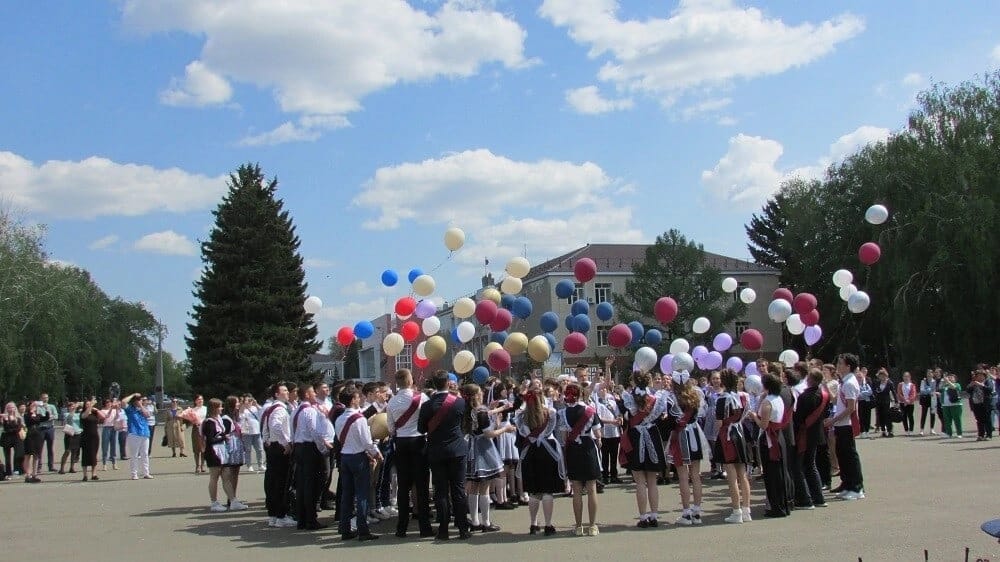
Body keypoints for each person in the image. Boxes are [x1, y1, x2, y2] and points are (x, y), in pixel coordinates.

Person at [418, 370, 471, 541]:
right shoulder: (460, 402)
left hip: (436, 451)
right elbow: (466, 422)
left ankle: (443, 530)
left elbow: (421, 429)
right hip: (457, 449)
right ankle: (463, 528)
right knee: (458, 490)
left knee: (440, 492)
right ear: (448, 383)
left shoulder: (427, 406)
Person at [386, 369, 434, 538]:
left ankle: (401, 528)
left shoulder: (391, 402)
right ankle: (425, 527)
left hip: (401, 443)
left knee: (403, 487)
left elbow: (391, 429)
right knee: (421, 486)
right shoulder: (421, 397)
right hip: (419, 441)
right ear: (410, 380)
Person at [514, 386, 564, 536]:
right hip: (547, 451)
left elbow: (522, 429)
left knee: (534, 491)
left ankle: (533, 524)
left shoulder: (522, 416)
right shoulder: (550, 413)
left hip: (531, 452)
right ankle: (548, 525)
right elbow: (550, 430)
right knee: (548, 491)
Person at [621, 371, 668, 528]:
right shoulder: (656, 399)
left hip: (635, 436)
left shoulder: (628, 398)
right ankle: (654, 516)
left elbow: (626, 418)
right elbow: (661, 416)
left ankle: (643, 517)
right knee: (652, 481)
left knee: (640, 482)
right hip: (652, 434)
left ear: (634, 382)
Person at [663, 370, 711, 525]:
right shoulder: (696, 396)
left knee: (683, 477)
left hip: (680, 436)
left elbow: (671, 423)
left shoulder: (672, 398)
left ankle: (686, 513)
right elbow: (700, 414)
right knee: (696, 476)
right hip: (695, 433)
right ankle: (697, 512)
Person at [335, 386, 382, 542]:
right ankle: (363, 529)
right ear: (353, 400)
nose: (359, 399)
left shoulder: (340, 418)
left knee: (347, 494)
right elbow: (367, 441)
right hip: (358, 457)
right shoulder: (359, 418)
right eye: (357, 397)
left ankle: (345, 527)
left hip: (345, 456)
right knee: (362, 494)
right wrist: (375, 453)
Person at [461, 383, 508, 533]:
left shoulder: (467, 410)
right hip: (483, 448)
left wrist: (496, 414)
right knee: (484, 486)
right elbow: (488, 433)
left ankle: (475, 521)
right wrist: (505, 428)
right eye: (480, 392)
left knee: (473, 486)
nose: (482, 393)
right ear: (476, 395)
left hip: (470, 448)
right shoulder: (481, 411)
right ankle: (486, 522)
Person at [558, 382, 601, 536]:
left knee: (576, 489)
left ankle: (578, 526)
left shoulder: (563, 413)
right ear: (582, 394)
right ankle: (593, 526)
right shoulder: (590, 410)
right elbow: (598, 435)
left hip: (573, 450)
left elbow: (563, 437)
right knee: (591, 488)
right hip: (588, 447)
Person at [824, 353, 865, 500]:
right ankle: (847, 484)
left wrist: (833, 420)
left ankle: (857, 487)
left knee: (850, 456)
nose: (838, 366)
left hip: (846, 424)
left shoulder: (850, 383)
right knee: (842, 454)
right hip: (840, 424)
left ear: (848, 366)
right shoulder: (843, 382)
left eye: (841, 363)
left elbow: (850, 408)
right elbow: (837, 401)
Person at [750, 373, 791, 518]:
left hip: (770, 438)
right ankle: (781, 504)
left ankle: (776, 506)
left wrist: (754, 416)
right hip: (778, 436)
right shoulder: (778, 398)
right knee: (778, 472)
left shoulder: (768, 402)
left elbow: (763, 424)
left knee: (772, 474)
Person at [714, 369, 752, 523]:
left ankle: (736, 511)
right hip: (740, 433)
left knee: (731, 476)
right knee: (742, 474)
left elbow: (719, 423)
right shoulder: (744, 396)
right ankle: (746, 511)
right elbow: (746, 414)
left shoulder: (721, 399)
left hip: (727, 436)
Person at [292, 384, 328, 530]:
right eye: (313, 392)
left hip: (299, 447)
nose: (315, 394)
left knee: (302, 485)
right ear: (307, 394)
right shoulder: (310, 411)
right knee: (311, 486)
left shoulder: (296, 411)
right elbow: (315, 431)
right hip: (309, 448)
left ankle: (302, 519)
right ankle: (310, 519)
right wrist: (322, 448)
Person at [793, 368, 830, 510]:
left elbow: (799, 418)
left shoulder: (805, 396)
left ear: (811, 380)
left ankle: (805, 499)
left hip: (804, 433)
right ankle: (818, 498)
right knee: (811, 465)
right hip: (817, 433)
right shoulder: (824, 394)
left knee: (800, 467)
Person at [203, 398, 248, 512]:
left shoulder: (218, 419)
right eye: (219, 407)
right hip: (213, 452)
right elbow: (210, 439)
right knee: (214, 477)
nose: (221, 409)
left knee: (226, 476)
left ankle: (233, 500)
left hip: (222, 450)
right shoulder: (209, 422)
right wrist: (224, 437)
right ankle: (214, 502)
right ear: (214, 408)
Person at [260, 382, 295, 528]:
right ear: (276, 394)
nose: (287, 393)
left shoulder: (270, 408)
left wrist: (267, 439)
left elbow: (265, 426)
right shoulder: (280, 409)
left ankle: (273, 515)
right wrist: (285, 443)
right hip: (280, 448)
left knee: (272, 481)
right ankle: (281, 515)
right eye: (284, 391)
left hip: (273, 446)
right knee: (281, 482)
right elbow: (275, 425)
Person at [121, 393, 152, 480]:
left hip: (145, 433)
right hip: (134, 433)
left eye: (140, 399)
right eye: (137, 400)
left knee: (145, 454)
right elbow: (123, 402)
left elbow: (148, 415)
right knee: (134, 455)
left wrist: (141, 406)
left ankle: (146, 473)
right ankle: (134, 474)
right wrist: (133, 394)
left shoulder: (143, 409)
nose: (139, 401)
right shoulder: (130, 409)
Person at [595, 384, 622, 485]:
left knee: (614, 455)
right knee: (605, 456)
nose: (603, 390)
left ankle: (614, 475)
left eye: (605, 388)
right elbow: (599, 418)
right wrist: (612, 421)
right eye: (601, 389)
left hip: (614, 432)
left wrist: (620, 418)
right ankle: (605, 476)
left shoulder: (612, 401)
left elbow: (618, 413)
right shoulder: (597, 403)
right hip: (604, 432)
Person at [22, 400, 49, 483]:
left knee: (36, 455)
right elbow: (29, 420)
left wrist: (45, 408)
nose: (34, 406)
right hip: (30, 435)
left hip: (37, 435)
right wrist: (32, 411)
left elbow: (46, 418)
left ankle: (34, 474)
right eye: (32, 405)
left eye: (35, 405)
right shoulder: (27, 415)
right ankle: (28, 474)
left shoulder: (38, 415)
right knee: (28, 455)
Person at [79, 398, 104, 482]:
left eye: (89, 404)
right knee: (85, 455)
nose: (89, 405)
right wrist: (91, 406)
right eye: (87, 404)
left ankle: (94, 474)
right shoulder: (83, 413)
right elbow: (84, 416)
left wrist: (96, 409)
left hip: (94, 436)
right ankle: (85, 475)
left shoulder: (94, 413)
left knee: (94, 455)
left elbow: (103, 416)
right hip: (86, 436)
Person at [1, 402, 25, 481]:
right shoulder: (4, 418)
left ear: (15, 408)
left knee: (18, 454)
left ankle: (16, 470)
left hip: (16, 437)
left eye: (12, 407)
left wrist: (12, 427)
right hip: (7, 438)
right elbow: (6, 428)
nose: (11, 409)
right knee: (7, 456)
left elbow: (19, 427)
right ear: (6, 409)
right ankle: (8, 473)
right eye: (9, 407)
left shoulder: (18, 417)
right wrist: (5, 420)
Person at [239, 396, 264, 472]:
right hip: (247, 432)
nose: (249, 402)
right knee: (248, 450)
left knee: (259, 449)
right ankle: (249, 465)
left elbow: (262, 411)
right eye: (247, 400)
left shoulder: (255, 408)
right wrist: (244, 405)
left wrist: (256, 404)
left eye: (250, 400)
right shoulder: (242, 409)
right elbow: (240, 415)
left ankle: (260, 465)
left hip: (257, 432)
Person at [34, 393, 58, 473]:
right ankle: (38, 466)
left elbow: (56, 416)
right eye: (43, 398)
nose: (45, 399)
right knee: (39, 448)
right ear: (40, 398)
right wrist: (46, 417)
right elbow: (38, 417)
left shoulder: (51, 406)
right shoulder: (38, 407)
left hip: (50, 428)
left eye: (46, 398)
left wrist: (49, 417)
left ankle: (51, 466)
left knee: (50, 448)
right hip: (41, 429)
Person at [968, 371, 993, 440]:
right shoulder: (974, 382)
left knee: (987, 420)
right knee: (979, 420)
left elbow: (990, 390)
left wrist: (981, 385)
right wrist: (971, 385)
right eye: (978, 376)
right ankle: (981, 435)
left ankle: (989, 435)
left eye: (981, 375)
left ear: (984, 376)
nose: (980, 377)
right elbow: (968, 391)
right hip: (976, 403)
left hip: (985, 404)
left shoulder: (987, 381)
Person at [59, 401, 82, 474]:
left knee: (74, 452)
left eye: (73, 406)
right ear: (68, 407)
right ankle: (61, 468)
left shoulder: (78, 414)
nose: (73, 407)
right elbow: (69, 419)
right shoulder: (66, 414)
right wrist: (73, 409)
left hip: (77, 433)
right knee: (67, 451)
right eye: (71, 406)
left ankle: (72, 467)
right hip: (70, 434)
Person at [872, 368, 896, 438]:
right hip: (879, 402)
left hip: (887, 402)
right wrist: (876, 392)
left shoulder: (889, 383)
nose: (882, 377)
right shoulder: (877, 382)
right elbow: (873, 390)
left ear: (886, 375)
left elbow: (893, 392)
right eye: (880, 376)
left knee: (887, 416)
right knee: (880, 416)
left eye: (883, 375)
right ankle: (883, 431)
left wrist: (896, 401)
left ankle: (890, 431)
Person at [939, 373, 964, 438]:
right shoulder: (945, 386)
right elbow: (940, 388)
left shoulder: (957, 384)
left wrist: (948, 381)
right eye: (948, 377)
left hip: (956, 405)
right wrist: (942, 381)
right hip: (946, 405)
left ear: (955, 379)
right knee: (947, 420)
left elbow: (954, 387)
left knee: (957, 419)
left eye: (951, 377)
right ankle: (949, 433)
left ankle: (959, 433)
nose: (949, 378)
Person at [100, 399, 119, 470]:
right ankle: (104, 463)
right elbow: (106, 416)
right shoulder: (102, 410)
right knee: (105, 446)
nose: (109, 403)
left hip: (113, 428)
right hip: (106, 428)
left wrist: (116, 409)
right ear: (105, 404)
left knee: (113, 446)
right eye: (107, 402)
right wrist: (111, 408)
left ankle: (114, 463)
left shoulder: (114, 410)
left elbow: (117, 417)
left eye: (110, 402)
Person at [918, 371, 938, 436]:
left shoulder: (934, 381)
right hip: (925, 398)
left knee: (932, 414)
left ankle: (932, 429)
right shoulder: (923, 381)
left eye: (930, 373)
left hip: (933, 398)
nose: (929, 375)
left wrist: (930, 390)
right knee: (924, 414)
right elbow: (922, 390)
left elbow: (935, 390)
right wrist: (929, 390)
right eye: (928, 373)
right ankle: (921, 430)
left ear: (933, 374)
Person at [857, 370, 874, 437]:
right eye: (858, 377)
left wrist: (861, 393)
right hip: (860, 402)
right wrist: (864, 393)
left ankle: (867, 431)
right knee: (861, 417)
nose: (859, 378)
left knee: (867, 416)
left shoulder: (866, 384)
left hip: (867, 402)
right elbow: (857, 394)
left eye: (860, 377)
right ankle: (862, 431)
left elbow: (870, 392)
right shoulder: (855, 385)